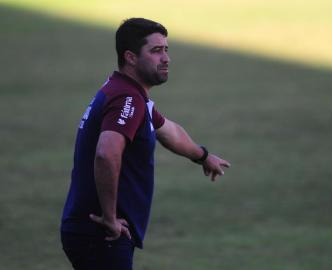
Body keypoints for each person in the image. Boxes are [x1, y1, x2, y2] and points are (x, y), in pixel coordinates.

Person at [60, 18, 230, 270]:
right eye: (156, 51)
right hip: (102, 233)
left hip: (93, 231)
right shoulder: (127, 98)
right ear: (130, 57)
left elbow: (168, 131)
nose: (166, 58)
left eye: (166, 50)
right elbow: (106, 154)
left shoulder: (130, 94)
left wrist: (203, 157)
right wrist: (110, 217)